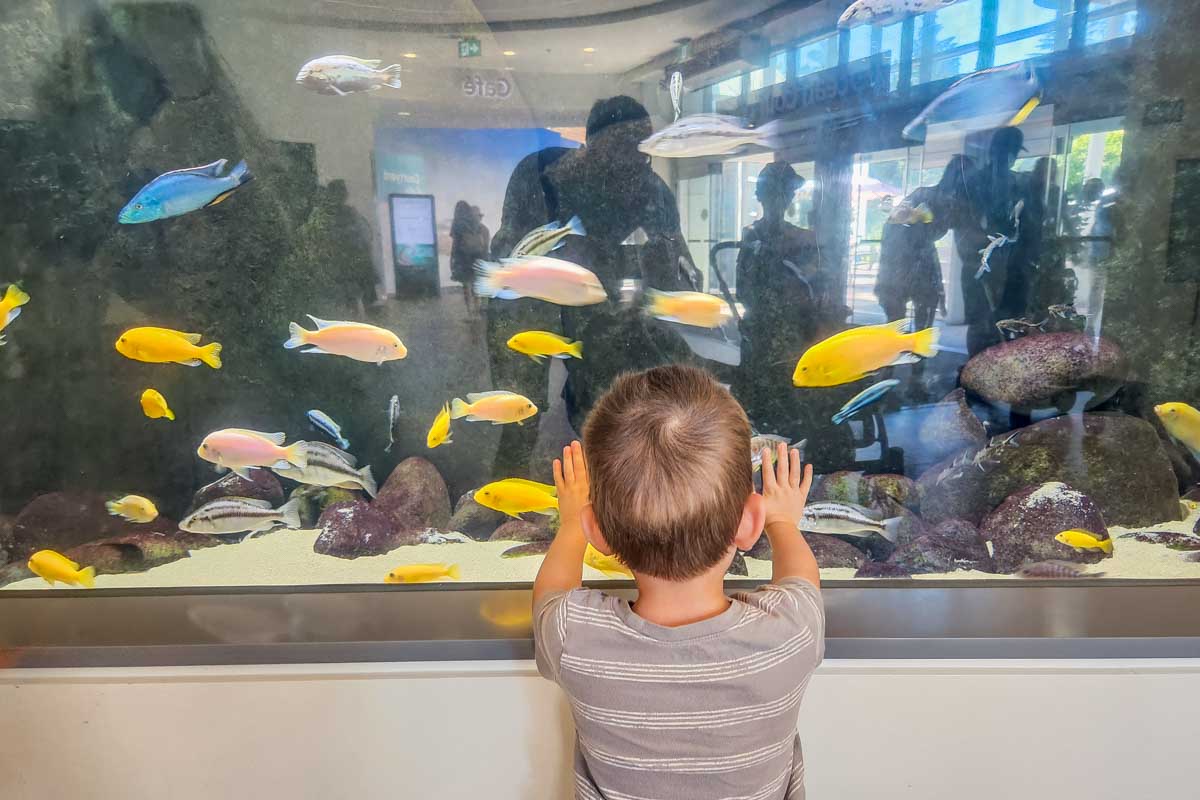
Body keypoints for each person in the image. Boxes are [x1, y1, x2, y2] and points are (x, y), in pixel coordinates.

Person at [533, 364, 824, 800]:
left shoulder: (572, 636)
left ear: (599, 533)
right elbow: (802, 580)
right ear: (749, 524)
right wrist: (783, 521)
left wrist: (572, 523)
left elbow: (550, 596)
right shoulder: (791, 634)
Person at [449, 200, 489, 308]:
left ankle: (471, 312)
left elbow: (456, 246)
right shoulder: (484, 230)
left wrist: (453, 262)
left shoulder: (460, 226)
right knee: (475, 286)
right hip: (476, 260)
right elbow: (485, 249)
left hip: (465, 261)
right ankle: (477, 309)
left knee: (467, 286)